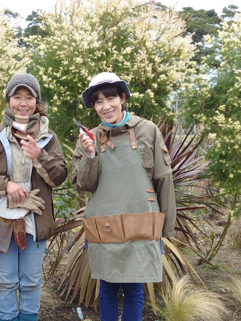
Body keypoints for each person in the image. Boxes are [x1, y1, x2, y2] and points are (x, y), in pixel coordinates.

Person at [72, 72, 176, 321]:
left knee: (134, 288)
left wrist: (167, 230)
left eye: (110, 98)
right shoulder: (90, 137)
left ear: (122, 97)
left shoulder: (147, 130)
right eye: (98, 102)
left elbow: (164, 179)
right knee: (107, 287)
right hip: (104, 223)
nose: (105, 106)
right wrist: (90, 154)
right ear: (94, 107)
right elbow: (83, 185)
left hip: (140, 221)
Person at [0, 73, 67, 321]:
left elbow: (60, 176)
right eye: (17, 97)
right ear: (8, 100)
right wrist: (6, 185)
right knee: (6, 282)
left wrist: (39, 155)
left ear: (37, 102)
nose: (23, 103)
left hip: (35, 219)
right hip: (2, 219)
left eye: (29, 97)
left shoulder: (48, 137)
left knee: (32, 282)